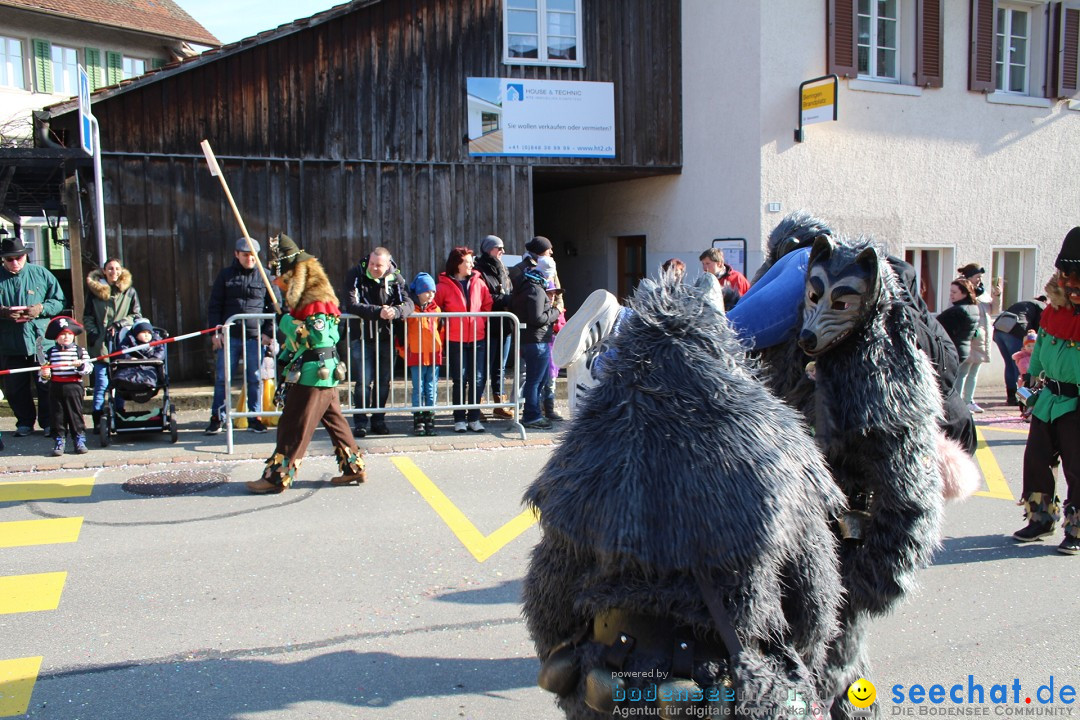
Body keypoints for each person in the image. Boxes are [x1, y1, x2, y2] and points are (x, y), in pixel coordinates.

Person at [247, 235, 365, 494]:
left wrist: (285, 323)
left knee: (293, 424)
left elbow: (317, 339)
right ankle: (353, 469)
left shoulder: (316, 303)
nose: (278, 285)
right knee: (336, 423)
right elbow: (300, 342)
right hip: (320, 373)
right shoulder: (311, 303)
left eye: (282, 280)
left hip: (314, 374)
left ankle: (276, 478)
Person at [1011, 227, 1080, 555]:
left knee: (1077, 466)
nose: (1069, 281)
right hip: (1049, 397)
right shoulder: (1054, 310)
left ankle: (1077, 527)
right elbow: (1041, 350)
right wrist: (1029, 378)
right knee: (1037, 459)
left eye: (1075, 275)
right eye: (1065, 274)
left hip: (1077, 400)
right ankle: (1041, 517)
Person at [206, 238, 276, 435]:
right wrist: (215, 332)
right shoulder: (226, 276)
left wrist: (268, 333)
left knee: (254, 378)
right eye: (245, 255)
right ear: (237, 254)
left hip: (255, 337)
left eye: (253, 255)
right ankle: (217, 417)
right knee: (222, 378)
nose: (250, 259)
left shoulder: (265, 277)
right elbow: (215, 305)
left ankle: (254, 418)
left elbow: (276, 307)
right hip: (230, 336)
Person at [342, 247, 413, 437]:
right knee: (363, 382)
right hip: (362, 338)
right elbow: (350, 304)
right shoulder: (356, 274)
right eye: (372, 264)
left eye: (378, 265)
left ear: (388, 265)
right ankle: (360, 421)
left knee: (383, 382)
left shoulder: (396, 278)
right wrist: (378, 312)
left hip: (386, 338)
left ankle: (379, 420)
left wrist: (395, 312)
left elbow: (408, 304)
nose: (374, 268)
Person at [0, 235, 65, 437]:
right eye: (10, 259)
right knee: (14, 387)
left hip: (40, 341)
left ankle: (48, 423)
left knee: (45, 385)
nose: (15, 262)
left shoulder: (41, 274)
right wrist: (2, 312)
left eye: (18, 258)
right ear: (3, 259)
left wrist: (41, 308)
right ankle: (25, 422)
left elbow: (59, 301)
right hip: (10, 342)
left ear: (25, 256)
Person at [434, 246, 493, 433]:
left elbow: (487, 304)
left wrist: (480, 321)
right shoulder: (442, 286)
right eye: (468, 262)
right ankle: (459, 419)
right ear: (458, 264)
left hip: (478, 337)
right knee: (459, 379)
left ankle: (474, 418)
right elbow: (436, 309)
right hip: (455, 338)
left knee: (477, 378)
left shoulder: (479, 282)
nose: (471, 265)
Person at [84, 257, 141, 428]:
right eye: (110, 269)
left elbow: (136, 315)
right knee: (102, 383)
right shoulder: (94, 292)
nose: (113, 272)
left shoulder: (129, 291)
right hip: (101, 344)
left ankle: (119, 415)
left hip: (122, 343)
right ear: (104, 271)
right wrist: (93, 333)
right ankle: (98, 418)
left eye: (116, 268)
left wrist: (120, 324)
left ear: (121, 270)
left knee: (120, 381)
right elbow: (87, 316)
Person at [512, 256, 559, 429]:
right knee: (535, 381)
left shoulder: (526, 284)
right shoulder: (536, 289)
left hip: (530, 340)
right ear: (548, 273)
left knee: (536, 380)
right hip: (536, 340)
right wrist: (555, 312)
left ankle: (532, 414)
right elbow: (538, 317)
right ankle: (532, 416)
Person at [39, 317, 93, 456]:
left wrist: (80, 365)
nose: (66, 337)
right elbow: (44, 377)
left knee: (75, 414)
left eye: (69, 334)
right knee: (57, 415)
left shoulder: (80, 351)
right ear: (56, 337)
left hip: (74, 386)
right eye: (62, 334)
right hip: (56, 386)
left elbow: (88, 369)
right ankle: (59, 440)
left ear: (73, 335)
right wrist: (45, 373)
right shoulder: (50, 353)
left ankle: (79, 439)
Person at [475, 234, 514, 419]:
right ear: (489, 249)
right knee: (482, 368)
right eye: (499, 248)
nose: (502, 252)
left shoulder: (503, 269)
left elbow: (509, 291)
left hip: (504, 326)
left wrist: (509, 299)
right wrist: (506, 300)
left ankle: (500, 404)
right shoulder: (479, 270)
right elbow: (485, 297)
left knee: (501, 367)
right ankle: (478, 405)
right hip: (488, 326)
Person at [956, 262, 1003, 413]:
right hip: (970, 337)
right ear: (969, 277)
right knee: (963, 371)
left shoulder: (982, 293)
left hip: (982, 338)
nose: (980, 280)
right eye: (977, 277)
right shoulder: (963, 291)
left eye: (981, 277)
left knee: (974, 371)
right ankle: (958, 402)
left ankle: (969, 400)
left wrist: (997, 296)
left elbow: (994, 310)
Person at [399, 272, 442, 436]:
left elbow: (441, 331)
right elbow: (401, 334)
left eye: (432, 291)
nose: (430, 295)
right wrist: (404, 351)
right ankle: (418, 419)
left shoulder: (437, 309)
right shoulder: (410, 311)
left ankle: (430, 418)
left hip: (433, 354)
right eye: (427, 291)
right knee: (418, 388)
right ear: (417, 292)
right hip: (416, 354)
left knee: (431, 388)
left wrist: (440, 349)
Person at [993, 296, 1047, 406]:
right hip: (1015, 331)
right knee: (1020, 365)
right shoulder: (1042, 306)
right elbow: (1041, 326)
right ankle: (1022, 396)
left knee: (1010, 363)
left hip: (999, 331)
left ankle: (1011, 397)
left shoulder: (1025, 303)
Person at [936, 278, 981, 404]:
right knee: (957, 380)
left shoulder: (958, 311)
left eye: (954, 292)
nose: (951, 295)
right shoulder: (973, 308)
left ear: (965, 293)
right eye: (950, 292)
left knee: (948, 386)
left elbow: (939, 328)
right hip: (963, 349)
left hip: (951, 349)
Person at [111, 319, 165, 390]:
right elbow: (121, 351)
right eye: (143, 332)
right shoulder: (128, 342)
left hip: (149, 366)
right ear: (136, 334)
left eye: (149, 333)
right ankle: (126, 383)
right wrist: (128, 358)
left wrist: (154, 359)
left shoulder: (156, 342)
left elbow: (161, 351)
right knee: (122, 376)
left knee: (149, 376)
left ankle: (146, 384)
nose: (146, 335)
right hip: (130, 366)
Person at [541, 277, 566, 422]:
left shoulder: (559, 311)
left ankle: (549, 409)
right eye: (549, 293)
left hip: (553, 353)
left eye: (553, 294)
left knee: (551, 382)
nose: (552, 297)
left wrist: (557, 321)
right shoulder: (540, 309)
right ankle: (538, 408)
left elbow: (563, 327)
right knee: (539, 381)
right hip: (542, 348)